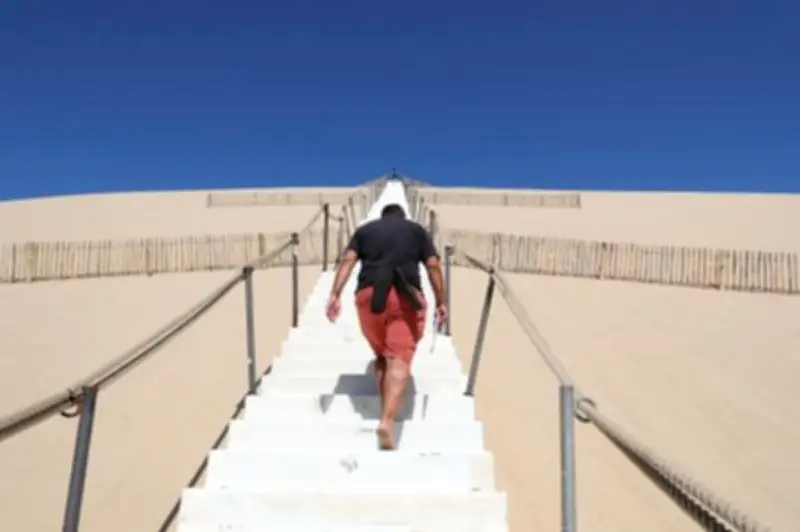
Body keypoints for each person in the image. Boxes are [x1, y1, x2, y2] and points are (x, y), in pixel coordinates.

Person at [325, 203, 448, 450]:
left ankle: (385, 410)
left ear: (382, 217)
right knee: (399, 357)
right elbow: (433, 265)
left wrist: (335, 294)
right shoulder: (416, 230)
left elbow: (348, 260)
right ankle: (387, 420)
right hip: (404, 298)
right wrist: (441, 301)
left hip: (369, 298)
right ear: (403, 216)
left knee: (382, 355)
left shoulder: (364, 230)